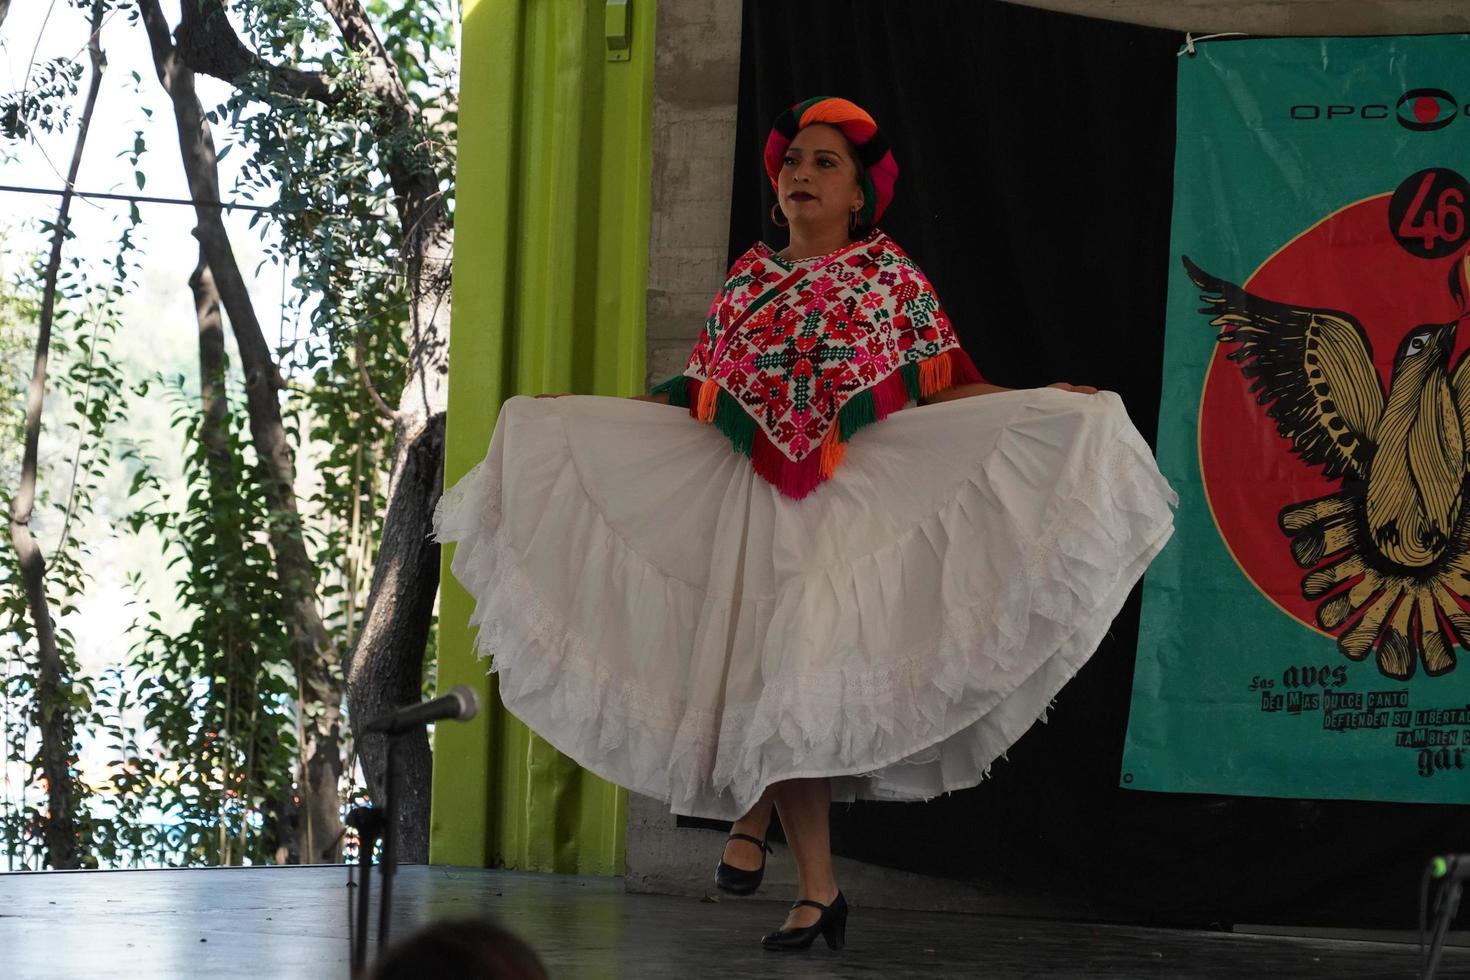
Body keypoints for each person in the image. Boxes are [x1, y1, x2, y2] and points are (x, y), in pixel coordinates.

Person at [435, 96, 1175, 952]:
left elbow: (946, 379)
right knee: (774, 684)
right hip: (754, 504)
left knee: (788, 680)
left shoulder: (889, 278)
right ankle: (815, 886)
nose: (802, 175)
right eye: (793, 163)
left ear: (860, 193)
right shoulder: (749, 280)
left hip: (849, 504)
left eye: (826, 163)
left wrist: (1038, 402)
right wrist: (580, 417)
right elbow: (699, 394)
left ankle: (763, 832)